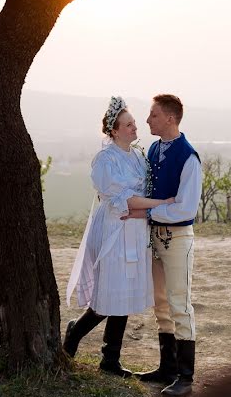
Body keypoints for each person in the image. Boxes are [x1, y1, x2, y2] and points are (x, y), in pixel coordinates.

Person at [64, 96, 175, 376]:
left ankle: (110, 360)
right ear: (113, 131)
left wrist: (144, 208)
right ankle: (74, 335)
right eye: (128, 125)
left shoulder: (139, 156)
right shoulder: (105, 160)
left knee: (123, 296)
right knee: (108, 294)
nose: (134, 128)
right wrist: (159, 205)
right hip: (114, 230)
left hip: (134, 230)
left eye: (134, 123)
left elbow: (141, 197)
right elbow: (120, 201)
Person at [127, 94, 203, 397]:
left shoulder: (189, 157)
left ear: (170, 118)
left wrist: (147, 211)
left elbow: (186, 209)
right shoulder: (156, 149)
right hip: (155, 237)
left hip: (177, 238)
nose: (147, 121)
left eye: (153, 115)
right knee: (160, 303)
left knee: (179, 303)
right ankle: (166, 368)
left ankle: (186, 377)